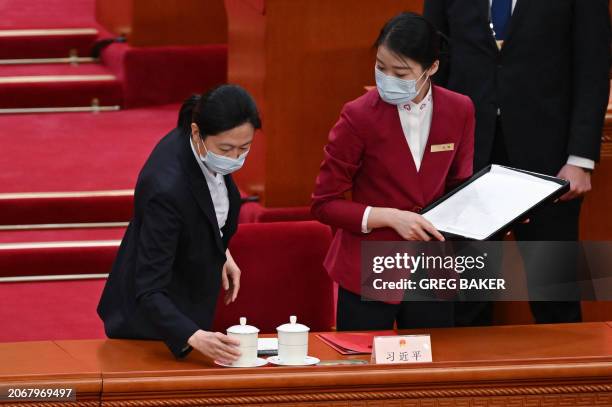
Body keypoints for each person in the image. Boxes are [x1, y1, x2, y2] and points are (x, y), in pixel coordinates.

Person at [424, 0, 611, 325]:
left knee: (556, 291)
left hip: (550, 159)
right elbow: (435, 57)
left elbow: (593, 66)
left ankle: (567, 375)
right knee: (469, 294)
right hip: (468, 153)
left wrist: (580, 158)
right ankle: (469, 374)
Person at [311, 12, 475, 331]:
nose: (388, 79)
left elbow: (460, 186)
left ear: (432, 68)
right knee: (363, 374)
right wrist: (389, 217)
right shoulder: (358, 116)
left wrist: (497, 211)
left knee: (433, 373)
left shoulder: (460, 109)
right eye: (381, 67)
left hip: (432, 270)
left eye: (400, 72)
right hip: (368, 271)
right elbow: (324, 202)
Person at [97, 84, 261, 361]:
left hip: (188, 302)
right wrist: (193, 335)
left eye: (244, 148)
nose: (235, 158)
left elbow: (208, 210)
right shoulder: (166, 189)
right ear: (197, 133)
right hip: (149, 328)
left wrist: (221, 250)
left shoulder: (206, 148)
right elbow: (148, 288)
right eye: (227, 148)